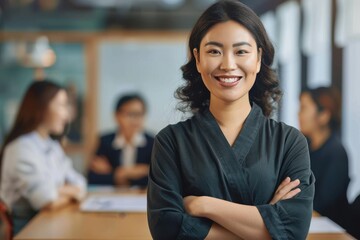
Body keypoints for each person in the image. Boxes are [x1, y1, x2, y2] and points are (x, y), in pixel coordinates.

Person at [147, 1, 315, 239]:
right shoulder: (171, 142)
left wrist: (203, 205)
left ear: (258, 58)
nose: (227, 64)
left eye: (241, 51)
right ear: (197, 58)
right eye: (214, 51)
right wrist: (268, 224)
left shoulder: (289, 142)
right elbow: (166, 229)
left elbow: (294, 230)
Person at [0, 80, 86, 235]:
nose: (66, 115)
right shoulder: (21, 148)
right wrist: (69, 193)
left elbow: (80, 183)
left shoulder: (52, 145)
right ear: (41, 106)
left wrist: (58, 191)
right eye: (61, 105)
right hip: (28, 227)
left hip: (51, 223)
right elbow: (47, 200)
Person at [298, 87, 359, 238]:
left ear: (324, 115)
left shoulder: (336, 152)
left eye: (304, 108)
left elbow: (323, 203)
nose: (299, 114)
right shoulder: (306, 148)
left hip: (332, 230)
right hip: (310, 225)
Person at [88, 94, 154, 188]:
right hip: (111, 197)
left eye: (139, 114)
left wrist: (114, 173)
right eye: (130, 114)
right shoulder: (105, 141)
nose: (135, 120)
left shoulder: (153, 142)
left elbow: (157, 179)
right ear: (117, 115)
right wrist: (128, 173)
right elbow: (93, 178)